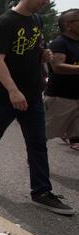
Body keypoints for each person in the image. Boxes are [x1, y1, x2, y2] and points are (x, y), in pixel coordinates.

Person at [0, 0, 74, 215]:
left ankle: (41, 191)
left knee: (38, 143)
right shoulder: (5, 22)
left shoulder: (37, 21)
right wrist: (13, 90)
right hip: (6, 95)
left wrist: (44, 55)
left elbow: (33, 49)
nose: (47, 1)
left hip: (32, 93)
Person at [45, 8, 79, 151]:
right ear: (68, 24)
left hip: (76, 97)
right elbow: (58, 66)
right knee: (44, 133)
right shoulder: (60, 43)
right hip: (61, 98)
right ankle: (35, 158)